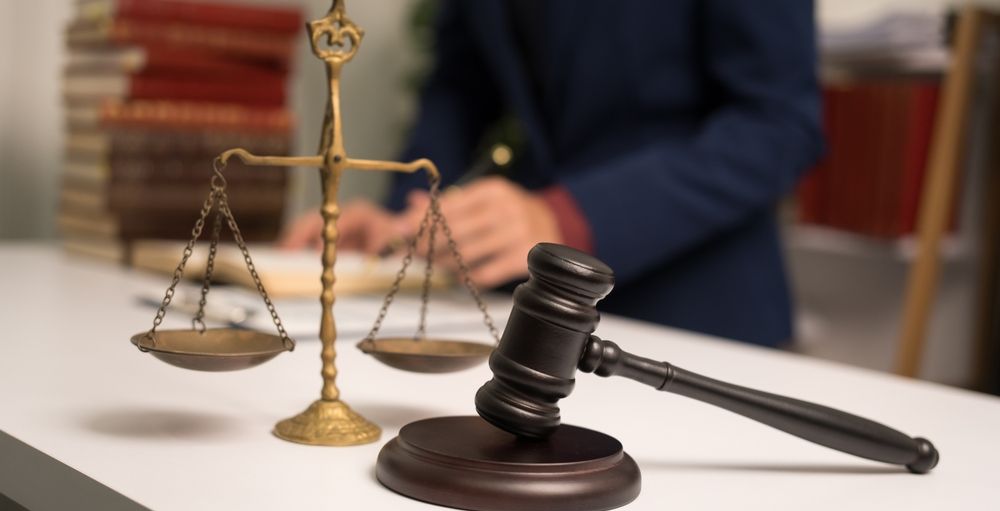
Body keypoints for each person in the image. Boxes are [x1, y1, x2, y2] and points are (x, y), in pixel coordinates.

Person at [282, 0, 823, 347]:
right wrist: (410, 214)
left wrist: (565, 217)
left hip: (699, 321)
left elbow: (778, 124)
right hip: (539, 326)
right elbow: (460, 86)